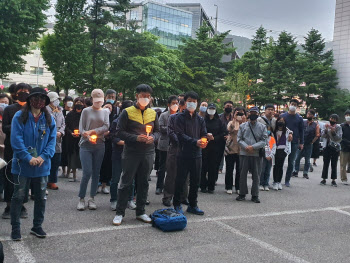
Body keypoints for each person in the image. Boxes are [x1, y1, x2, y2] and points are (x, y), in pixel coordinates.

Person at [10, 87, 56, 241]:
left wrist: (43, 156)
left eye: (42, 98)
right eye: (36, 98)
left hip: (42, 165)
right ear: (30, 99)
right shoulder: (19, 116)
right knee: (19, 196)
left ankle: (37, 226)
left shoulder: (49, 118)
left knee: (41, 196)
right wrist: (27, 157)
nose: (39, 101)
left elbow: (52, 140)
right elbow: (16, 139)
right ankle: (15, 228)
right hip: (22, 165)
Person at [112, 84, 160, 226]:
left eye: (147, 96)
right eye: (142, 96)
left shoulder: (153, 113)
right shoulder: (127, 112)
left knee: (144, 182)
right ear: (136, 96)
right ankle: (119, 213)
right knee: (126, 182)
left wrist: (154, 137)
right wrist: (136, 138)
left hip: (149, 151)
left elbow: (158, 132)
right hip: (131, 152)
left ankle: (140, 212)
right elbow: (119, 132)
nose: (145, 98)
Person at [173, 91, 207, 215]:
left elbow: (203, 133)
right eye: (189, 101)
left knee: (195, 181)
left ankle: (193, 204)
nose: (192, 103)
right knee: (180, 180)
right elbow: (180, 135)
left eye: (194, 101)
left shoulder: (200, 119)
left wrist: (204, 140)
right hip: (183, 153)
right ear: (185, 102)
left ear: (197, 103)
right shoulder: (179, 117)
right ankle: (177, 204)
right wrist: (195, 142)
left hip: (197, 154)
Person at [2, 83, 32, 219]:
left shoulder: (32, 109)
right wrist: (19, 126)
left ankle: (22, 204)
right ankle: (9, 205)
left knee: (25, 176)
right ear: (15, 93)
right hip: (11, 148)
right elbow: (5, 128)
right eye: (21, 91)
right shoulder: (9, 109)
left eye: (26, 91)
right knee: (10, 176)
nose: (24, 93)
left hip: (27, 149)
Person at [77, 89, 109, 211]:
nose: (98, 103)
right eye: (96, 101)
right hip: (86, 144)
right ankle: (81, 198)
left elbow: (106, 126)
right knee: (87, 172)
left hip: (100, 144)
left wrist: (94, 132)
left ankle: (92, 198)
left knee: (96, 172)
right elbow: (81, 129)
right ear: (91, 99)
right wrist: (88, 136)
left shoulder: (105, 111)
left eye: (100, 101)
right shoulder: (86, 111)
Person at [236, 107, 267, 203]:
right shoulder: (243, 126)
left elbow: (264, 140)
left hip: (256, 154)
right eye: (251, 112)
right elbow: (239, 139)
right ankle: (242, 193)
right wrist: (246, 147)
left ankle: (255, 195)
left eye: (255, 113)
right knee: (242, 174)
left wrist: (253, 147)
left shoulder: (262, 127)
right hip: (244, 153)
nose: (253, 114)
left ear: (258, 114)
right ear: (248, 114)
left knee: (256, 175)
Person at [162, 99, 189, 207]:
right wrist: (181, 141)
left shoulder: (191, 119)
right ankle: (168, 197)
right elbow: (171, 132)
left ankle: (183, 197)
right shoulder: (173, 118)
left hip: (187, 149)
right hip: (175, 148)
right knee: (172, 174)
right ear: (181, 106)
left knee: (185, 175)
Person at [109, 100, 135, 211]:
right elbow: (113, 136)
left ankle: (130, 199)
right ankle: (114, 200)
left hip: (131, 153)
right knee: (115, 178)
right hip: (118, 153)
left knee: (131, 178)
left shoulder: (134, 122)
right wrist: (123, 142)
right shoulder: (116, 121)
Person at [156, 95, 179, 195]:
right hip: (164, 144)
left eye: (176, 103)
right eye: (173, 103)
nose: (175, 105)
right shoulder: (164, 115)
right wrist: (171, 130)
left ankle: (171, 187)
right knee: (162, 166)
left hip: (175, 145)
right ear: (168, 105)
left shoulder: (180, 115)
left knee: (174, 167)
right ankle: (159, 186)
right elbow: (161, 128)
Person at [200, 103, 226, 193]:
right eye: (210, 108)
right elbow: (199, 131)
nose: (211, 110)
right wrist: (206, 135)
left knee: (213, 167)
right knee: (203, 167)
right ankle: (202, 185)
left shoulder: (218, 121)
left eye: (213, 108)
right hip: (204, 146)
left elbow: (223, 133)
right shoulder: (202, 120)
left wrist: (214, 138)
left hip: (215, 147)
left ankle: (211, 186)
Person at [280, 99, 304, 187]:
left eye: (295, 105)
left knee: (291, 162)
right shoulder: (283, 116)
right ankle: (278, 179)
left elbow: (302, 131)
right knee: (280, 161)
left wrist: (301, 142)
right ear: (289, 105)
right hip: (283, 141)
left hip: (294, 142)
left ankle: (287, 180)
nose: (293, 106)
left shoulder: (299, 118)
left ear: (297, 107)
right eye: (292, 104)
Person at [225, 107, 246, 195]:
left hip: (241, 149)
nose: (240, 116)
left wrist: (244, 121)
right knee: (229, 168)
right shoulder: (232, 122)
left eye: (242, 113)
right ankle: (228, 186)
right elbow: (230, 129)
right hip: (231, 148)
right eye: (238, 114)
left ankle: (238, 186)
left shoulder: (247, 124)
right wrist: (234, 119)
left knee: (240, 169)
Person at [293, 110, 320, 179]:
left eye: (311, 114)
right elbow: (299, 131)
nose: (309, 115)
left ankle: (305, 173)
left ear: (313, 116)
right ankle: (296, 171)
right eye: (308, 114)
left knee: (307, 159)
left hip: (309, 144)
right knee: (297, 158)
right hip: (301, 143)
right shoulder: (303, 123)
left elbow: (317, 135)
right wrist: (299, 140)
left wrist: (312, 142)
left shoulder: (315, 125)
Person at [46, 92, 65, 190]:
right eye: (54, 100)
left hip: (58, 138)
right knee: (47, 159)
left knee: (56, 160)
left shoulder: (60, 110)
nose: (56, 102)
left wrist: (61, 132)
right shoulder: (45, 110)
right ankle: (45, 180)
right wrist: (54, 133)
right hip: (48, 137)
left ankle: (52, 181)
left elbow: (63, 124)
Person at [65, 97, 84, 182]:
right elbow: (66, 125)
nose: (79, 104)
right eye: (77, 102)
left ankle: (75, 175)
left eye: (80, 102)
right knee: (70, 155)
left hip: (80, 138)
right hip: (70, 138)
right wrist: (70, 133)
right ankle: (69, 173)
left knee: (76, 157)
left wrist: (81, 132)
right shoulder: (70, 114)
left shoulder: (84, 114)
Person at [321, 114, 342, 186]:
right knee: (325, 163)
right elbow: (322, 136)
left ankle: (333, 180)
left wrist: (333, 132)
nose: (332, 120)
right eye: (331, 118)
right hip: (326, 146)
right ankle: (324, 179)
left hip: (335, 147)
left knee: (334, 164)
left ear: (336, 121)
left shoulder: (338, 127)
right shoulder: (325, 125)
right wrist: (326, 130)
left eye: (334, 119)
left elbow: (338, 138)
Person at [98, 102, 114, 194]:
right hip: (98, 142)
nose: (108, 108)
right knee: (97, 165)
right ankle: (97, 184)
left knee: (107, 165)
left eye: (110, 107)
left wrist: (108, 133)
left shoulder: (113, 118)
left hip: (109, 144)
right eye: (106, 106)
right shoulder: (98, 117)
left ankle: (104, 185)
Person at [272, 117, 292, 190]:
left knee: (280, 166)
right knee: (275, 166)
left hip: (283, 150)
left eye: (283, 121)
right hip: (275, 149)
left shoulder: (286, 131)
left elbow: (291, 132)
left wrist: (290, 134)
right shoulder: (274, 130)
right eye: (280, 121)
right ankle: (275, 181)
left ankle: (279, 182)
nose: (281, 122)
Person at [219, 101, 234, 174]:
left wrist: (229, 136)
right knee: (219, 156)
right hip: (220, 139)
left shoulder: (234, 118)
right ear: (224, 107)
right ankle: (219, 169)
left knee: (230, 158)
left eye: (231, 106)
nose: (229, 108)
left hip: (231, 141)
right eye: (227, 106)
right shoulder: (219, 117)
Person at [60, 96, 73, 178]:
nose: (70, 102)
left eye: (71, 101)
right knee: (63, 152)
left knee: (70, 153)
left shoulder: (73, 112)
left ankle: (69, 171)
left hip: (71, 135)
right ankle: (63, 170)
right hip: (63, 134)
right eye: (68, 101)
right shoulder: (61, 111)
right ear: (64, 102)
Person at [340, 110, 350, 185]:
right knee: (343, 164)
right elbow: (341, 137)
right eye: (346, 115)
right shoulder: (342, 126)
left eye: (349, 115)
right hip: (344, 148)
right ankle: (344, 179)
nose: (348, 116)